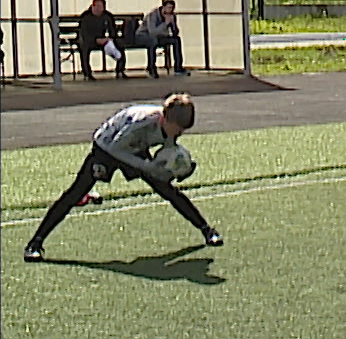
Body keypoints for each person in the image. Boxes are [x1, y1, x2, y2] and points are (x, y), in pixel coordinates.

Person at [23, 93, 220, 261]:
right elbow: (117, 148)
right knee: (74, 193)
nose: (179, 134)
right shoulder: (142, 123)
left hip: (135, 148)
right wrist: (146, 167)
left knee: (167, 190)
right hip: (106, 148)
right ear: (165, 120)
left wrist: (177, 169)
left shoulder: (171, 125)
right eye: (178, 130)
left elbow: (168, 152)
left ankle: (206, 229)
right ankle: (35, 244)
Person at [75, 0, 127, 80]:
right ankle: (87, 73)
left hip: (105, 40)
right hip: (90, 40)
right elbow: (84, 33)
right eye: (96, 6)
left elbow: (112, 31)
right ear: (92, 6)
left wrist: (109, 38)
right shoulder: (85, 17)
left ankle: (120, 70)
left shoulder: (107, 16)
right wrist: (96, 40)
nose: (98, 9)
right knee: (84, 47)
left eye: (100, 6)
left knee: (119, 45)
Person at [134, 0, 188, 77]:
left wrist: (173, 25)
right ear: (163, 7)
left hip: (160, 37)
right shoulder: (153, 15)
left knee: (176, 40)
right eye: (168, 7)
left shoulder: (172, 16)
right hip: (143, 36)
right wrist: (165, 23)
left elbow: (175, 32)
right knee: (152, 41)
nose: (170, 10)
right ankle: (151, 68)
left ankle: (178, 67)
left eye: (172, 8)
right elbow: (152, 32)